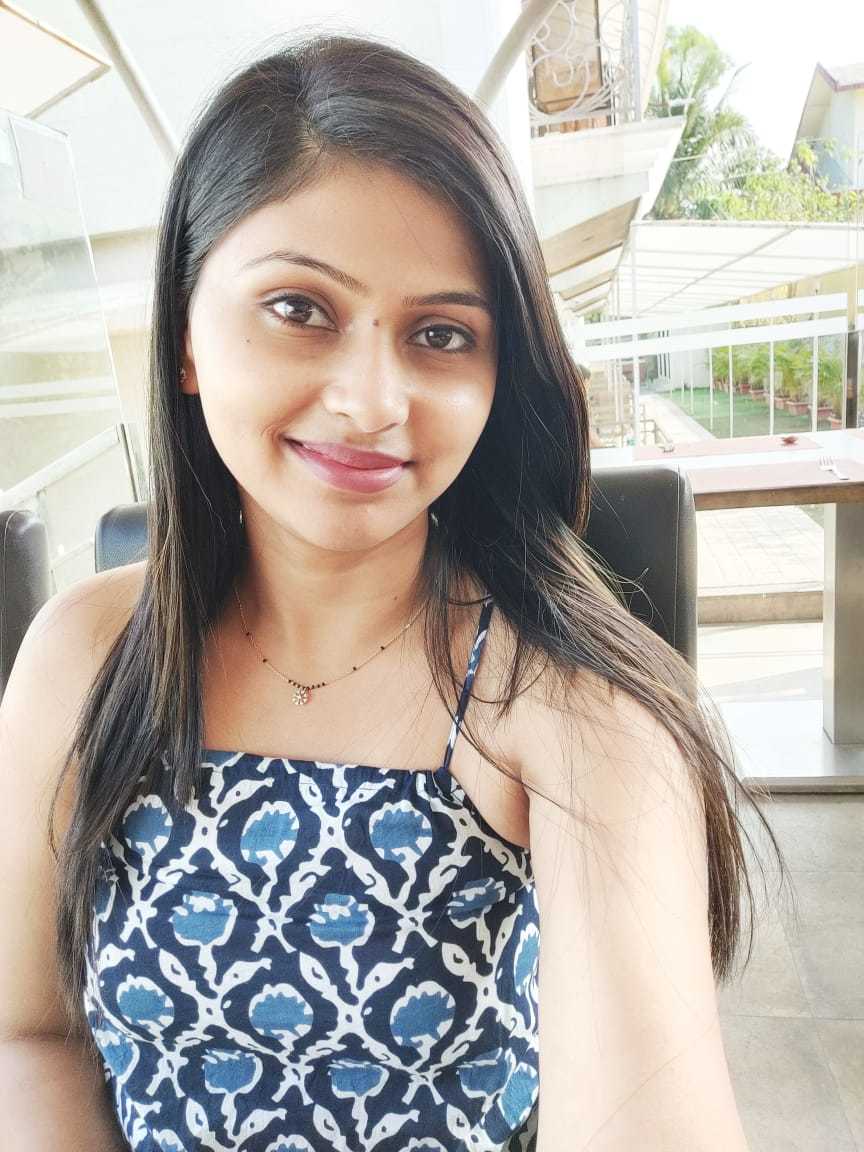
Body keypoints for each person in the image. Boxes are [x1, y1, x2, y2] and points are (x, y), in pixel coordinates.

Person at [0, 32, 789, 1152]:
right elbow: (28, 1034)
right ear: (185, 336)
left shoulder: (566, 712)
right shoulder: (86, 655)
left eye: (440, 334)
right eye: (299, 309)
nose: (371, 402)